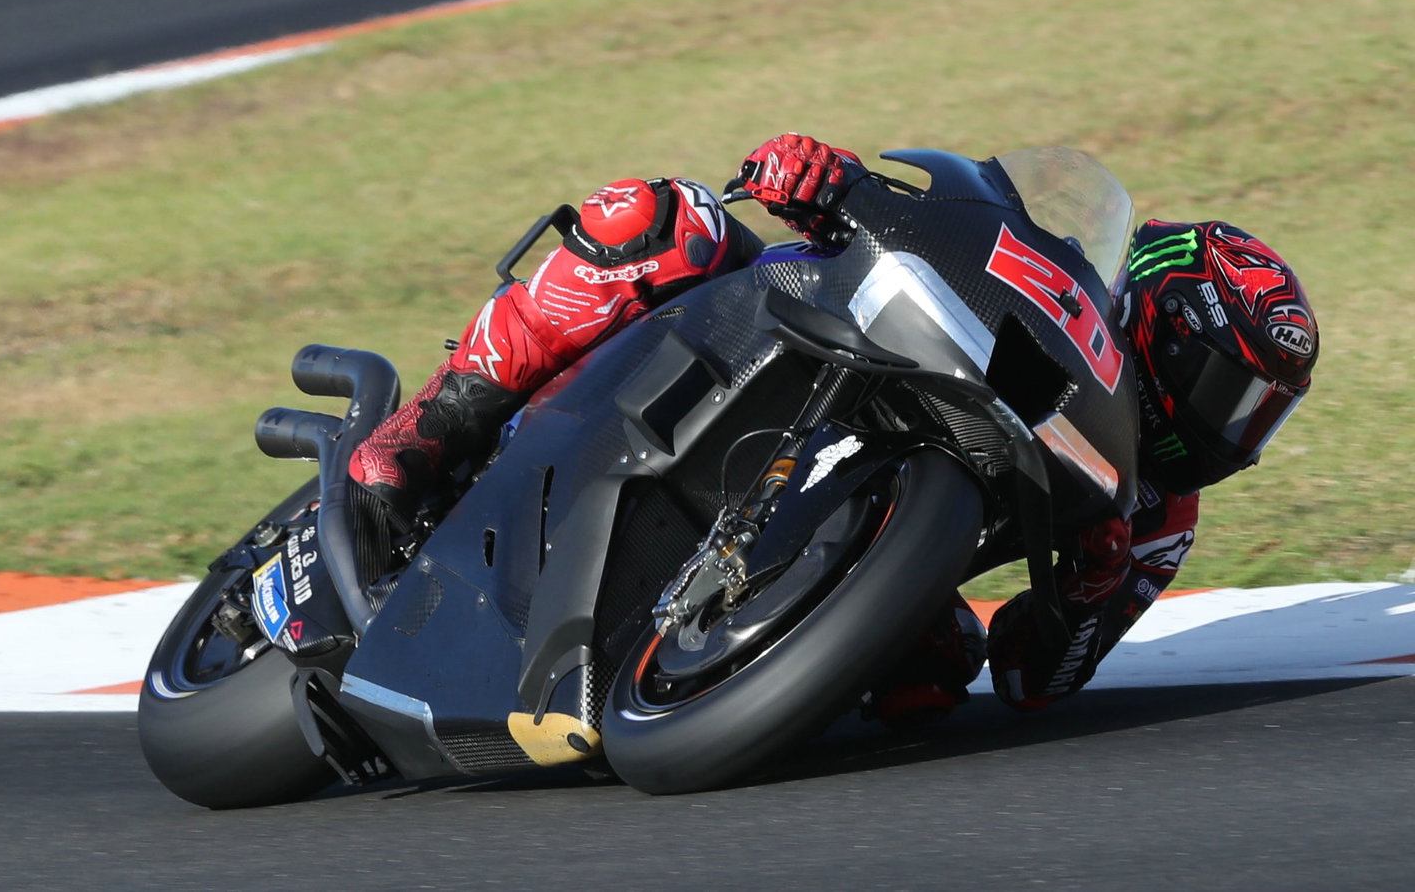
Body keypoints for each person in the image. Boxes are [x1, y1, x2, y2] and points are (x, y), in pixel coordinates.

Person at [346, 133, 1320, 719]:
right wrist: (829, 181)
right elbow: (946, 231)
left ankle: (710, 684)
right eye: (1229, 392)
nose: (1235, 429)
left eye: (1261, 413)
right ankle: (439, 417)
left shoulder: (1159, 516)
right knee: (665, 217)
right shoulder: (1054, 292)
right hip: (785, 357)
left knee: (934, 674)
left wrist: (1083, 596)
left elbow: (1033, 682)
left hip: (861, 549)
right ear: (1162, 328)